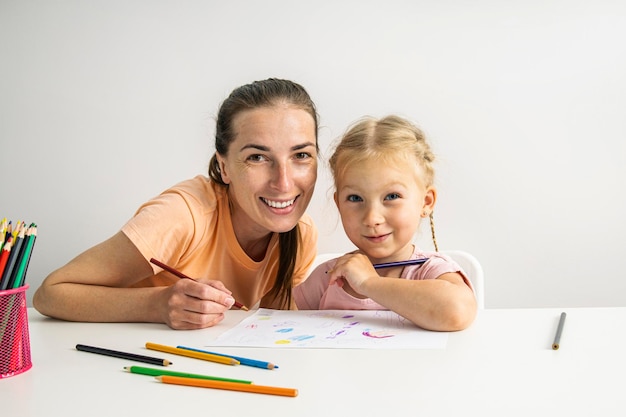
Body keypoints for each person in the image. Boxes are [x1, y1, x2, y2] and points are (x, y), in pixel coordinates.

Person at [33, 78, 319, 329]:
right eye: (257, 157)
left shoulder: (301, 234)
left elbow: (270, 330)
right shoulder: (183, 215)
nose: (283, 183)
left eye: (301, 155)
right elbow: (51, 293)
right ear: (224, 167)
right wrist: (157, 305)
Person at [294, 115, 476, 331]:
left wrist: (370, 283)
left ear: (426, 202)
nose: (372, 218)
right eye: (355, 198)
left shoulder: (430, 271)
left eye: (391, 197)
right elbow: (275, 321)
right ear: (339, 204)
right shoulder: (330, 276)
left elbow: (457, 311)